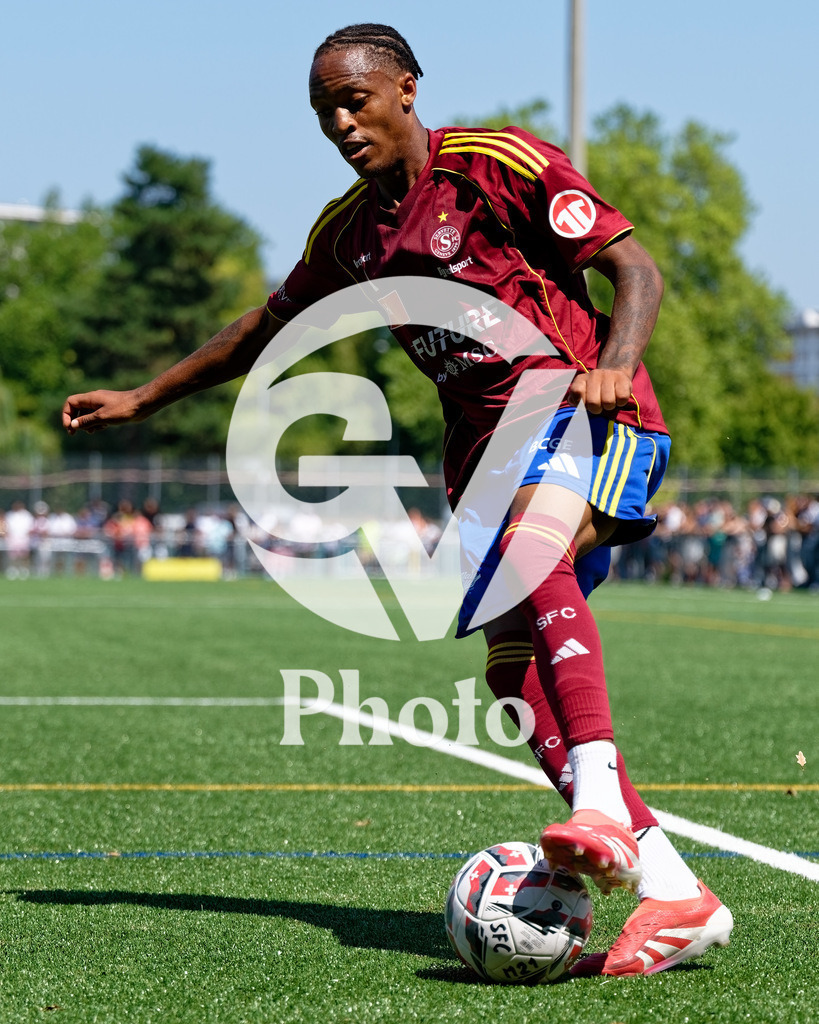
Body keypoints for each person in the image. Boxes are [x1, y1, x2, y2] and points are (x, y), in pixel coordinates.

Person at [63, 23, 732, 975]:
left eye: (355, 100)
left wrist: (616, 363)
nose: (340, 123)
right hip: (482, 460)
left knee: (531, 550)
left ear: (405, 89)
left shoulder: (497, 164)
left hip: (582, 411)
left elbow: (635, 268)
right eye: (323, 111)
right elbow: (264, 327)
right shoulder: (350, 232)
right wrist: (145, 396)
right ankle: (674, 894)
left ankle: (597, 807)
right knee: (510, 678)